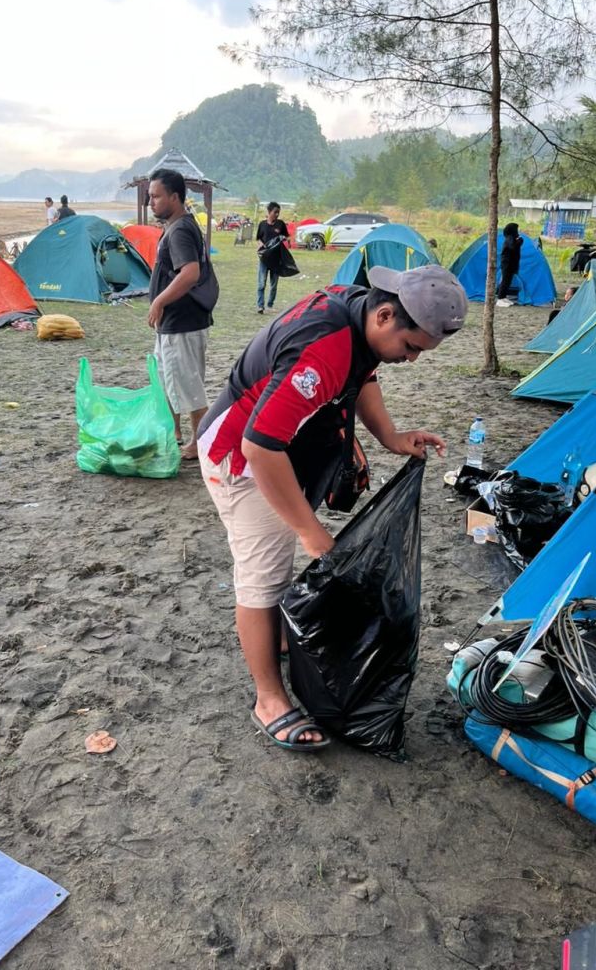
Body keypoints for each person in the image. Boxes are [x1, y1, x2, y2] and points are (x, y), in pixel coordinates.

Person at [197, 265, 468, 751]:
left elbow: (363, 372)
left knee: (279, 557)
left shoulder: (362, 311)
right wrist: (308, 529)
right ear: (386, 315)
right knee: (263, 577)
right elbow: (260, 447)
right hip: (239, 457)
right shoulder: (323, 348)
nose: (411, 360)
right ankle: (268, 699)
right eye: (411, 347)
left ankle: (279, 636)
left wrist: (390, 436)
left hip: (284, 451)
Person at [147, 168, 213, 461]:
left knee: (189, 386)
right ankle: (173, 432)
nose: (151, 202)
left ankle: (200, 443)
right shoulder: (177, 226)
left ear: (175, 197)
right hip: (174, 323)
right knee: (170, 380)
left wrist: (159, 301)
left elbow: (190, 273)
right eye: (150, 197)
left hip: (182, 323)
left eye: (156, 196)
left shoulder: (180, 230)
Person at [255, 202, 289, 314]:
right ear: (269, 212)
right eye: (275, 212)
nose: (277, 214)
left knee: (273, 285)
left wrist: (284, 240)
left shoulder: (280, 224)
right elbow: (258, 238)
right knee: (261, 283)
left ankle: (270, 305)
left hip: (276, 259)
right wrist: (261, 245)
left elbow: (286, 237)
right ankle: (260, 306)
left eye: (278, 212)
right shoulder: (262, 224)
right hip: (264, 259)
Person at [497, 221, 523, 302]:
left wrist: (518, 241)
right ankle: (500, 298)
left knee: (507, 281)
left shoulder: (511, 238)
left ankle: (503, 297)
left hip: (510, 264)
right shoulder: (510, 238)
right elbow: (513, 247)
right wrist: (519, 242)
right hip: (507, 264)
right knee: (505, 281)